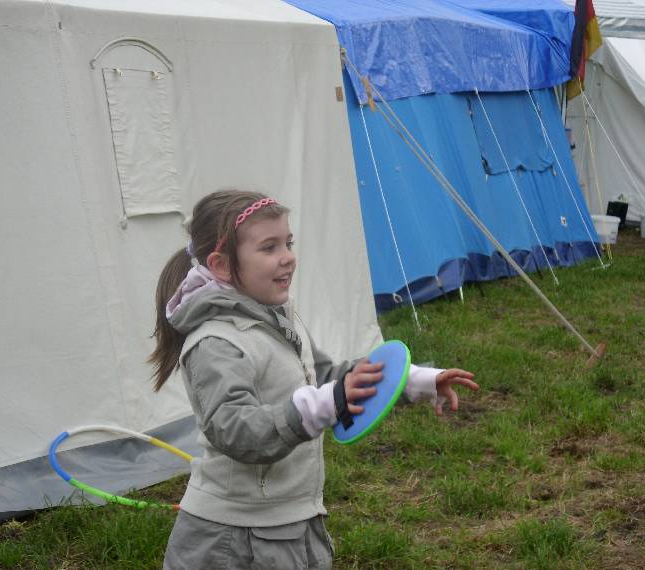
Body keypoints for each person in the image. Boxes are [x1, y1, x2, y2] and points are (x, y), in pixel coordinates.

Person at [150, 190, 478, 569]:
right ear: (221, 265)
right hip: (233, 539)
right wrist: (322, 404)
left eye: (287, 243)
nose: (288, 256)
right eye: (269, 247)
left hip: (289, 519)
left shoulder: (277, 317)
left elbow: (324, 378)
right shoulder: (216, 342)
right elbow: (235, 429)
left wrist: (409, 380)